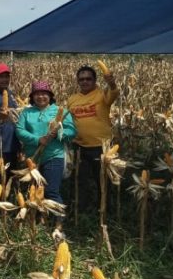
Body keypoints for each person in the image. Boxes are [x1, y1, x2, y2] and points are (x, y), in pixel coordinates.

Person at [16, 81, 77, 212]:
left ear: (50, 96)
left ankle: (59, 224)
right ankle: (41, 219)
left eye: (44, 94)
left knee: (51, 191)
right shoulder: (26, 113)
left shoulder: (60, 111)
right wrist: (38, 140)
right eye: (37, 94)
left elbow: (72, 132)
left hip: (54, 156)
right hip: (33, 159)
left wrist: (58, 133)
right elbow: (19, 131)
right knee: (34, 191)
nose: (40, 97)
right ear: (32, 97)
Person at [67, 65, 119, 212]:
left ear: (95, 80)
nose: (85, 81)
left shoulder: (102, 95)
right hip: (79, 146)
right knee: (79, 180)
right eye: (81, 79)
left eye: (88, 79)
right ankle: (79, 208)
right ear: (77, 81)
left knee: (102, 180)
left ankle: (105, 210)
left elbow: (114, 92)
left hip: (101, 147)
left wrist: (112, 83)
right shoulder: (72, 99)